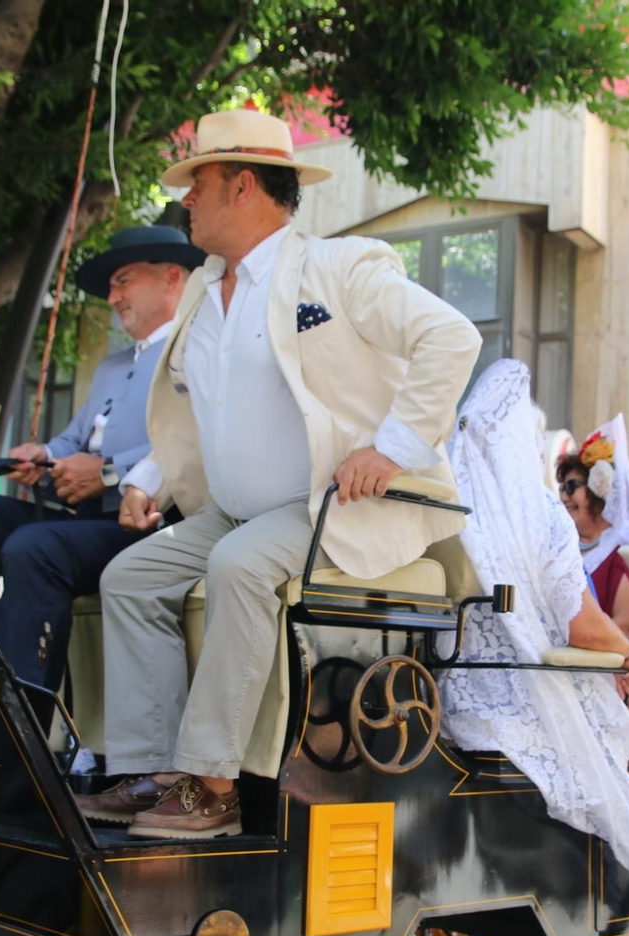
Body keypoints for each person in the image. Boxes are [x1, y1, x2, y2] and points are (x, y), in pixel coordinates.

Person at [90, 110, 481, 838]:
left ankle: (213, 787)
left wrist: (391, 446)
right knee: (130, 578)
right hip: (236, 507)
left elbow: (450, 337)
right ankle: (152, 771)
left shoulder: (338, 269)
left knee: (237, 564)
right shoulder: (205, 294)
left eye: (197, 184)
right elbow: (206, 407)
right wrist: (148, 475)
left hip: (333, 507)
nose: (186, 202)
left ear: (243, 185)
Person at [437, 358, 629, 934]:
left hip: (454, 707)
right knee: (621, 708)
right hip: (531, 698)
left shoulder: (448, 504)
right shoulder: (539, 515)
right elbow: (582, 626)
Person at [0, 225, 202, 693]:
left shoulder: (198, 351)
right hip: (83, 521)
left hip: (151, 523)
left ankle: (17, 712)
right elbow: (74, 441)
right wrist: (43, 456)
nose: (112, 297)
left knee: (34, 546)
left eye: (122, 281)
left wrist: (110, 473)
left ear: (171, 277)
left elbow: (194, 442)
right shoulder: (111, 366)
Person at [555, 416, 629, 639]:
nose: (563, 496)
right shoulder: (563, 547)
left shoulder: (626, 550)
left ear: (601, 490)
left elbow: (628, 625)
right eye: (562, 488)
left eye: (572, 486)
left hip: (602, 666)